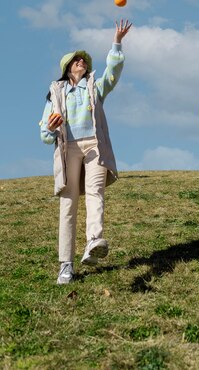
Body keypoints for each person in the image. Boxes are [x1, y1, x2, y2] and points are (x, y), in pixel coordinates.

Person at [40, 20, 132, 284]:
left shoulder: (94, 85)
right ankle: (66, 265)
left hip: (94, 145)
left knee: (95, 192)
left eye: (83, 60)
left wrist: (117, 41)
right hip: (67, 148)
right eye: (76, 60)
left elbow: (113, 72)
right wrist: (50, 127)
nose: (81, 62)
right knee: (68, 204)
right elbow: (45, 135)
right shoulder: (55, 91)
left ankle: (94, 241)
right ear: (68, 67)